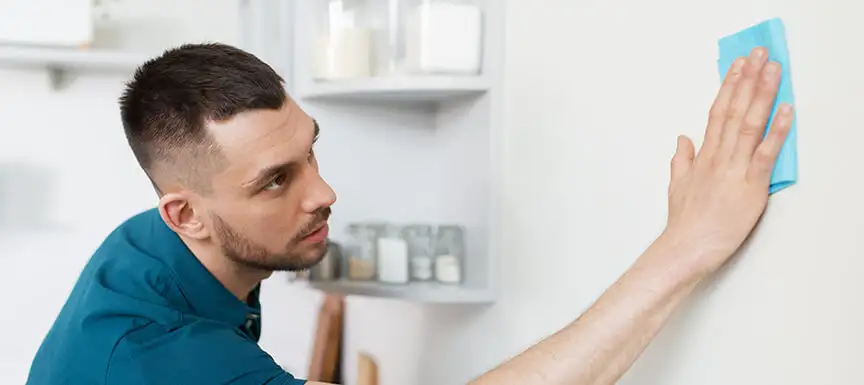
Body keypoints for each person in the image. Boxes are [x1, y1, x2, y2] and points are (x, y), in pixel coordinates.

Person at [26, 42, 791, 385]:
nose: (322, 192)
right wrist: (687, 244)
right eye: (275, 181)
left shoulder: (153, 250)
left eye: (312, 151)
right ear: (185, 212)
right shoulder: (161, 357)